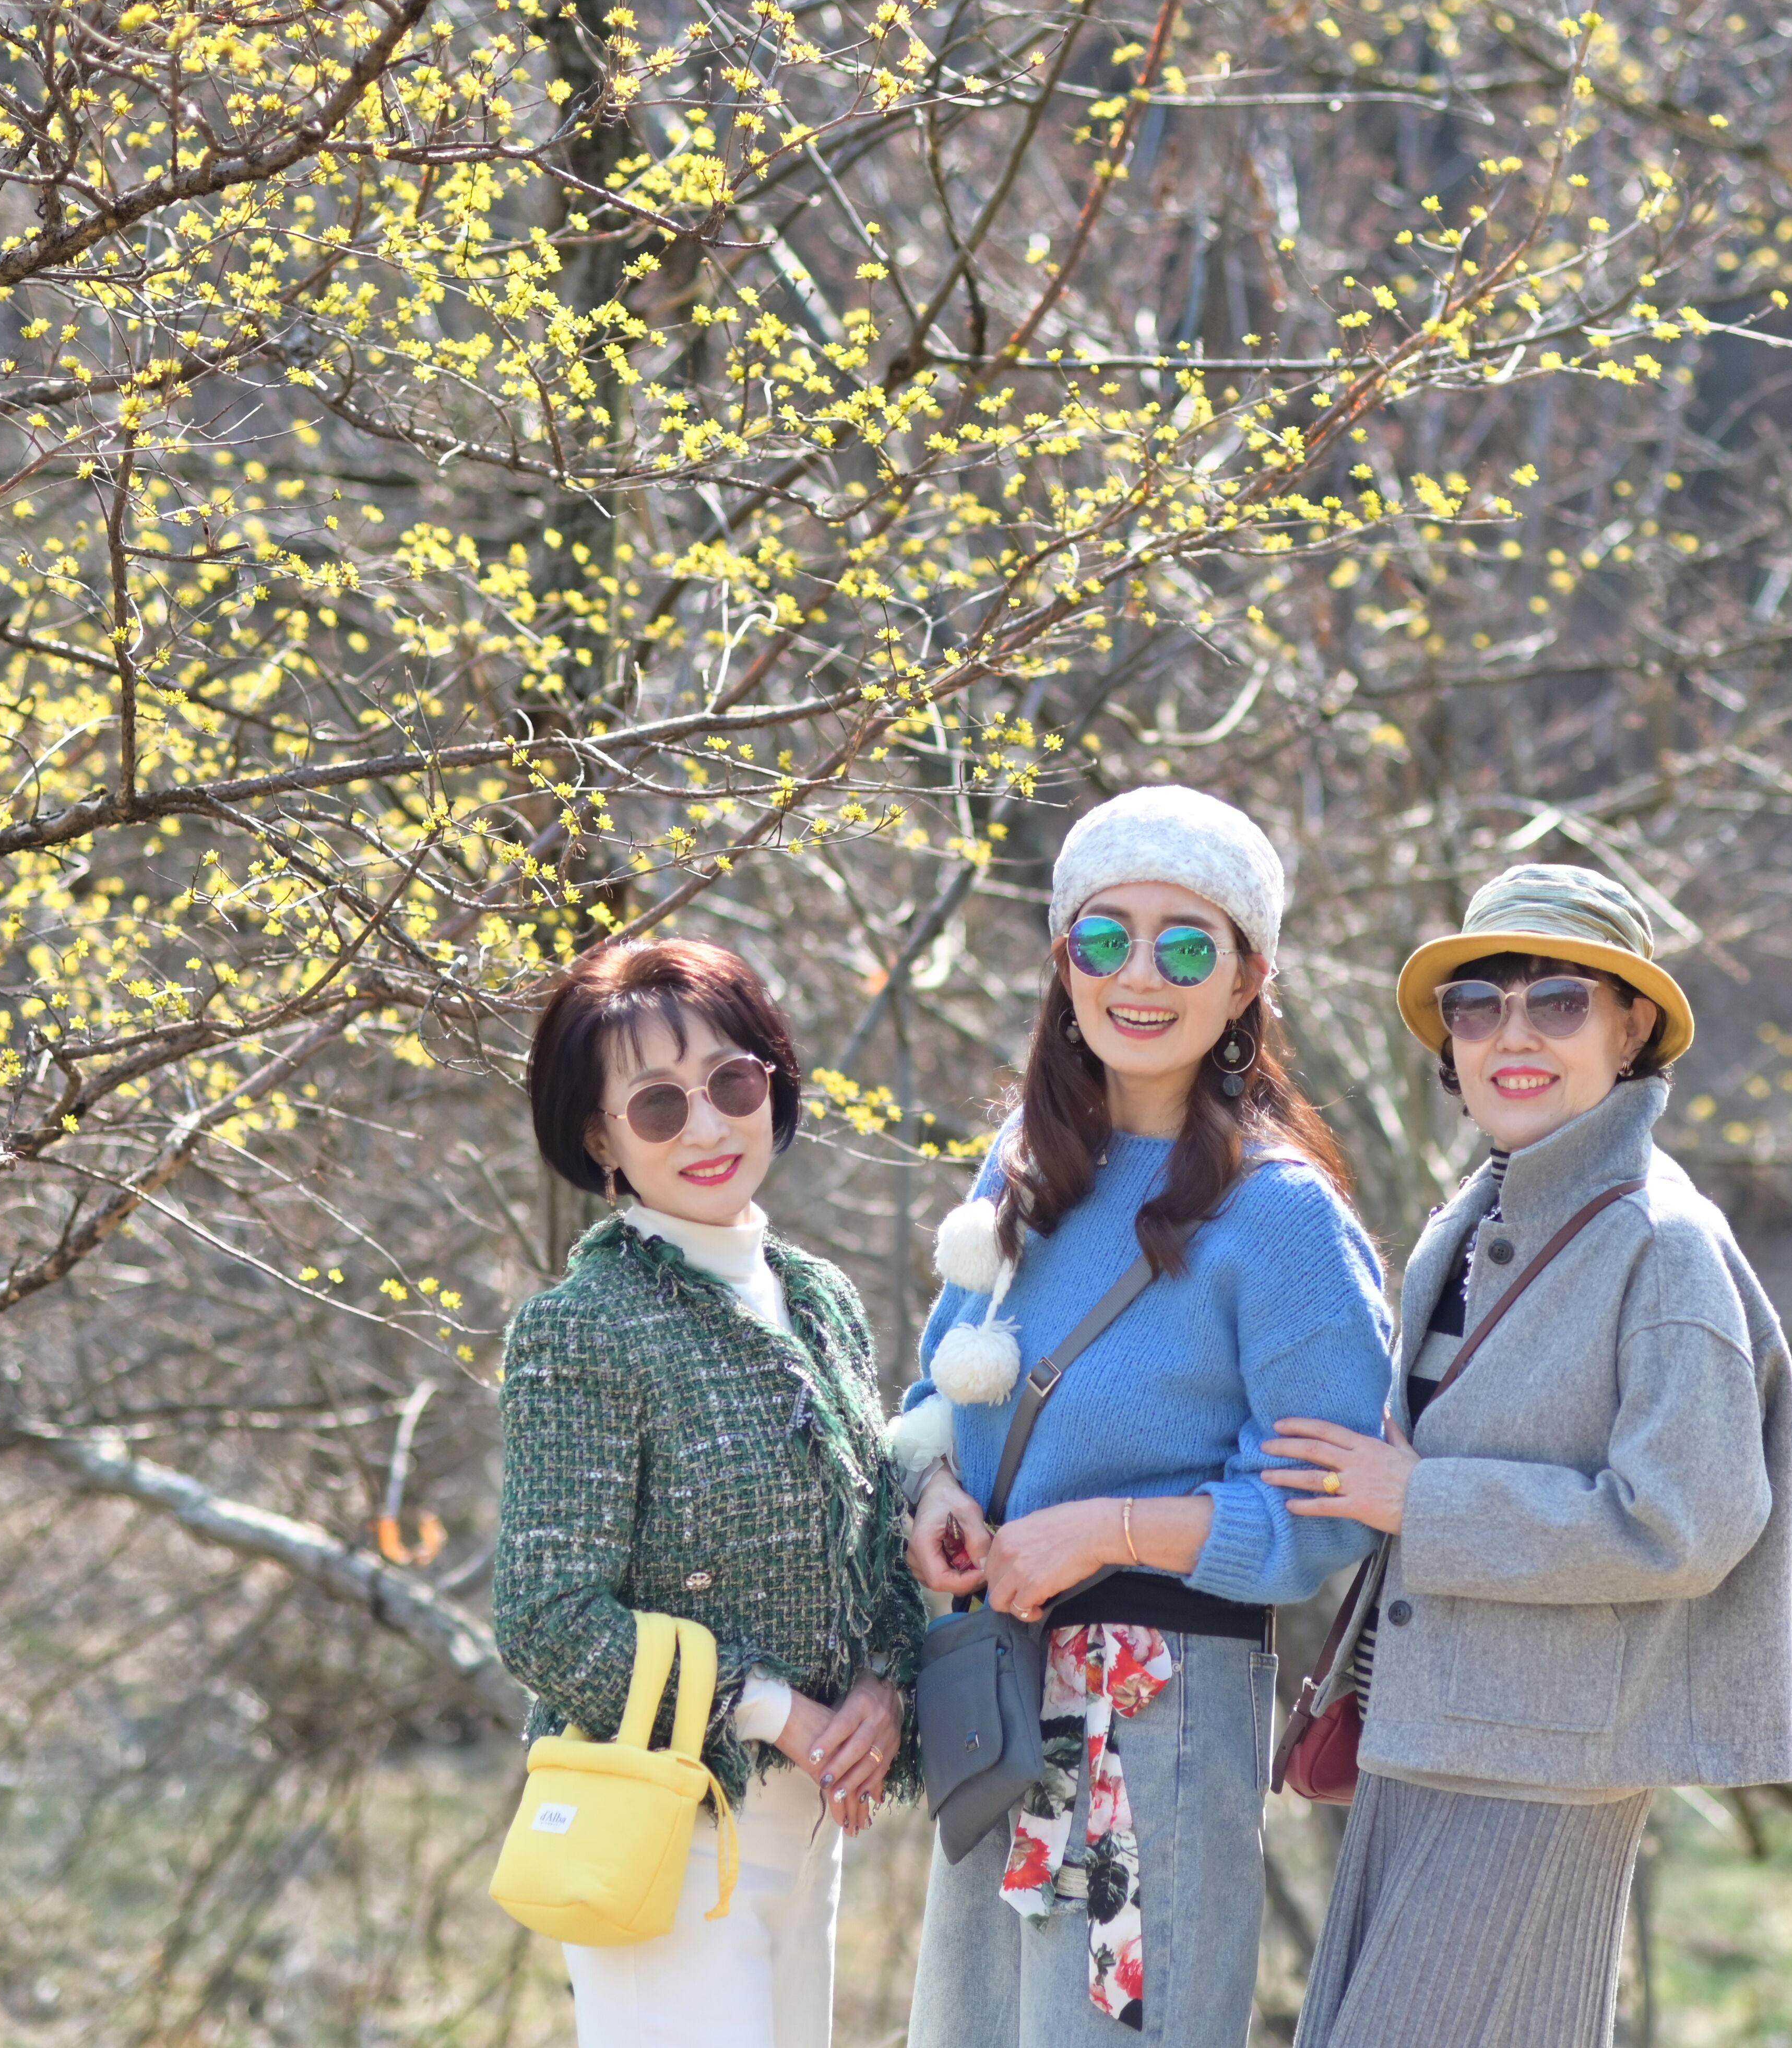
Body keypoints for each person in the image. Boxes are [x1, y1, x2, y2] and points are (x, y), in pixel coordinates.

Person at [1266, 863, 1792, 2048]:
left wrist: (1422, 1498)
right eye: (1479, 1005)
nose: (1513, 1035)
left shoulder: (1663, 1243)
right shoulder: (1473, 1220)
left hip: (1540, 1767)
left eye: (1560, 1001)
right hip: (1421, 1737)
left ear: (1632, 1029)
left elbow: (1685, 1521)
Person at [893, 784, 1394, 2046]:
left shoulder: (1280, 1215)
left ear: (1248, 979)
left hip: (1154, 1717)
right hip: (997, 1701)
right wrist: (935, 1493)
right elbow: (938, 1389)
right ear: (1066, 961)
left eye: (1186, 945)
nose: (1140, 976)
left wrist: (1106, 1528)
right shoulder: (1023, 1165)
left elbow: (1328, 1507)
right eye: (1107, 937)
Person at [493, 936, 922, 2048]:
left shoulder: (819, 1298)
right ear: (600, 1138)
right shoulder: (583, 1328)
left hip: (813, 1828)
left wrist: (883, 1686)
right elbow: (546, 1617)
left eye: (731, 1083)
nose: (706, 1127)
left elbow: (874, 1544)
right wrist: (779, 1712)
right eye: (657, 1104)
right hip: (664, 1830)